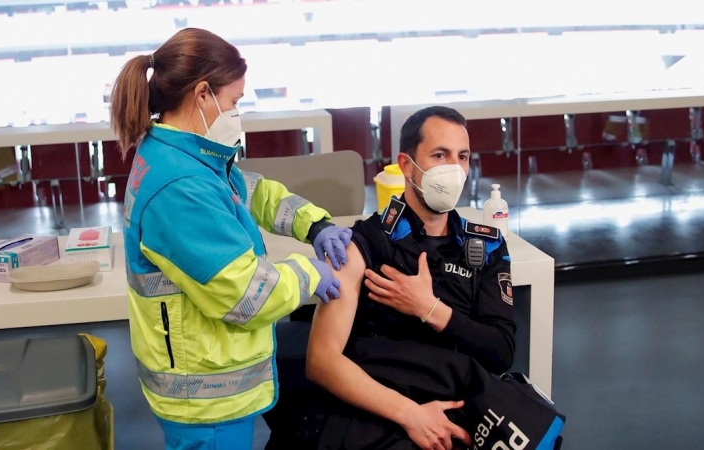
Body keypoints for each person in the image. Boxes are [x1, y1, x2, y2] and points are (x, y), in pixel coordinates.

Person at [109, 28, 352, 449]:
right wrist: (307, 274)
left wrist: (313, 224)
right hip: (206, 402)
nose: (237, 112)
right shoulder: (180, 187)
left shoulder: (183, 155)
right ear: (202, 94)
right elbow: (244, 293)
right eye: (234, 101)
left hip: (205, 375)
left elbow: (251, 191)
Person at [303, 106, 517, 450]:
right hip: (380, 411)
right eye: (439, 155)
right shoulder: (367, 242)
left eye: (461, 156)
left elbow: (500, 352)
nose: (454, 169)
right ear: (406, 164)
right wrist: (411, 415)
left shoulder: (485, 246)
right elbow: (321, 360)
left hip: (457, 409)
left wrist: (429, 308)